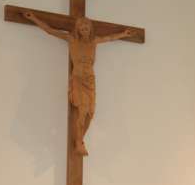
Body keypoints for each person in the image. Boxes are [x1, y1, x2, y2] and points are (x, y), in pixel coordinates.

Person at [23, 12, 133, 156]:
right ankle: (79, 141)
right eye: (81, 26)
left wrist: (123, 34)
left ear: (90, 28)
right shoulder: (71, 39)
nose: (84, 28)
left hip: (90, 80)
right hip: (78, 79)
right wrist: (34, 18)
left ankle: (80, 139)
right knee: (82, 110)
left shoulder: (94, 41)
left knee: (90, 113)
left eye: (86, 25)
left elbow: (110, 38)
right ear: (78, 29)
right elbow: (50, 30)